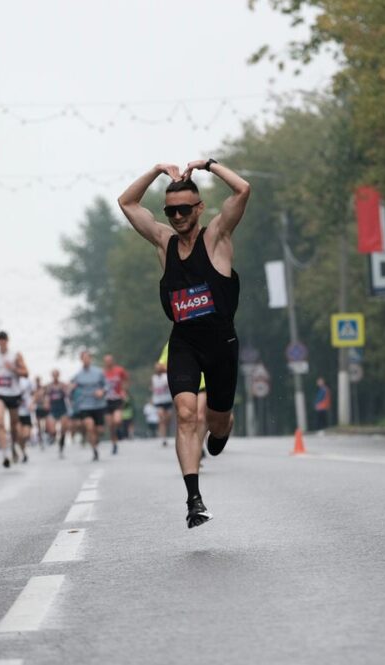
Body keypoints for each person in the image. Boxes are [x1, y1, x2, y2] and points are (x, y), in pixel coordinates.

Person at [119, 158, 250, 528]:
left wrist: (209, 165)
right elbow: (127, 203)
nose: (176, 217)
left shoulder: (217, 236)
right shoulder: (163, 242)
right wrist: (157, 170)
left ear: (198, 208)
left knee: (216, 420)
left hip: (222, 344)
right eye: (170, 210)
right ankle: (194, 499)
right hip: (184, 344)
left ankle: (223, 429)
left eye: (183, 209)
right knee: (186, 414)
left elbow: (243, 190)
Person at [0, 331, 29, 467]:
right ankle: (4, 455)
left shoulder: (15, 355)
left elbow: (26, 373)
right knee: (0, 422)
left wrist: (13, 368)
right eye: (0, 340)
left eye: (4, 340)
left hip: (13, 394)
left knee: (14, 426)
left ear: (7, 341)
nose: (2, 342)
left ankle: (13, 448)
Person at [68, 351, 108, 462]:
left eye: (88, 358)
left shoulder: (99, 372)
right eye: (84, 358)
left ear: (91, 359)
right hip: (85, 405)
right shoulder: (78, 375)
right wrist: (71, 392)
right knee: (89, 427)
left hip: (98, 404)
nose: (86, 360)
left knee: (99, 430)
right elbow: (71, 389)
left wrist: (102, 391)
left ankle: (96, 440)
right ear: (81, 360)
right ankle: (94, 449)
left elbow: (107, 385)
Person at [102, 354, 129, 454]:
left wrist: (124, 391)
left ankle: (119, 431)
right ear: (104, 362)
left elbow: (126, 380)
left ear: (113, 361)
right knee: (110, 425)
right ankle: (114, 444)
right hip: (106, 400)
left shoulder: (119, 370)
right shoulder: (102, 373)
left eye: (110, 360)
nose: (108, 362)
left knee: (117, 420)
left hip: (117, 399)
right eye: (106, 361)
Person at [44, 370, 71, 457]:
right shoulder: (49, 386)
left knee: (63, 429)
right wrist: (46, 403)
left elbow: (68, 395)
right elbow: (46, 397)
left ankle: (61, 446)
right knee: (52, 430)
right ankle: (53, 437)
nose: (55, 376)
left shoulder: (62, 385)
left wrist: (67, 389)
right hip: (53, 409)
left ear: (58, 375)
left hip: (62, 409)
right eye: (53, 375)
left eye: (56, 375)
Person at [17, 375, 35, 456]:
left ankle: (23, 449)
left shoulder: (27, 381)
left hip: (26, 413)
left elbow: (35, 393)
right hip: (16, 414)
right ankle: (23, 453)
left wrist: (32, 403)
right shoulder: (12, 380)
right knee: (19, 436)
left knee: (26, 435)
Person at [32, 376, 49, 445]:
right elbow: (34, 399)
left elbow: (46, 397)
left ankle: (45, 436)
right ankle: (40, 438)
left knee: (45, 424)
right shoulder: (34, 389)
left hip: (43, 408)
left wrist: (46, 403)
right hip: (38, 408)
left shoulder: (43, 388)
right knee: (38, 425)